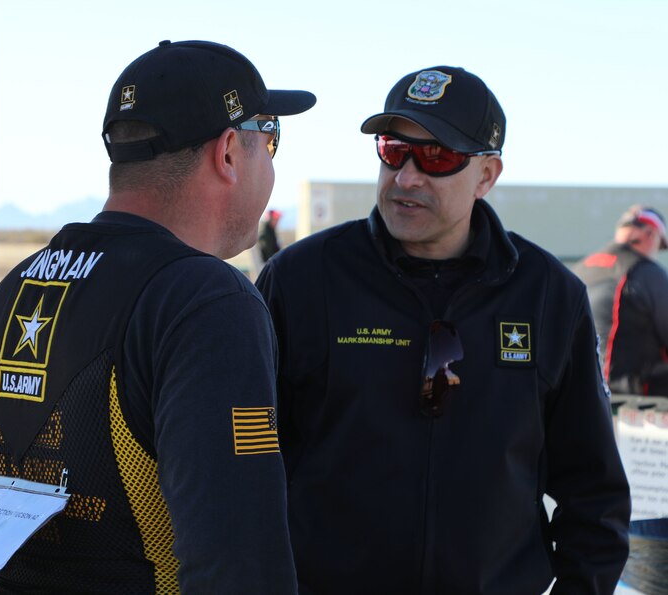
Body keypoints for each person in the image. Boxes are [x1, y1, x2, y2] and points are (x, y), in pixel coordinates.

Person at [0, 39, 315, 593]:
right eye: (269, 141)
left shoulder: (16, 285)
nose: (270, 162)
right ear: (227, 153)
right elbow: (240, 561)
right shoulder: (205, 301)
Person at [256, 66, 631, 594]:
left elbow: (594, 492)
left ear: (486, 175)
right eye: (393, 150)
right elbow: (245, 463)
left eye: (437, 157)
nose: (407, 177)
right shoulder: (300, 280)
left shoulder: (547, 296)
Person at [572, 204, 668, 396]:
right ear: (649, 235)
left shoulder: (578, 270)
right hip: (631, 394)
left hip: (577, 391)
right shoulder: (645, 272)